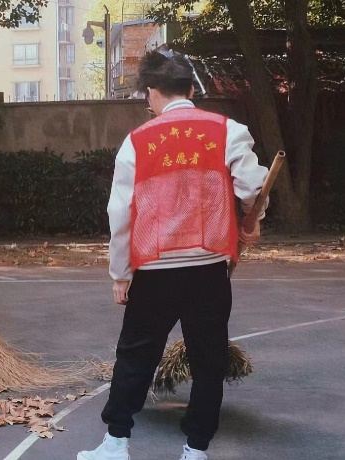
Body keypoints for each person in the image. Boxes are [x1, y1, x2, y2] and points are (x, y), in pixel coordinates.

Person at [77, 49, 268, 460]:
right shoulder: (228, 130)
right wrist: (254, 219)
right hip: (208, 267)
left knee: (135, 356)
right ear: (190, 90)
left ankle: (115, 444)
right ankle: (195, 449)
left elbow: (120, 213)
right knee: (208, 359)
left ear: (151, 92)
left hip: (155, 270)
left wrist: (120, 274)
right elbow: (253, 187)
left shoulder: (137, 142)